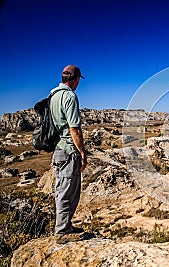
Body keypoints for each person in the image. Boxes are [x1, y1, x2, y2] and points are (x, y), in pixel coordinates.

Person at [50, 65, 87, 244]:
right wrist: (82, 152)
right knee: (67, 192)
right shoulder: (69, 96)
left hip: (58, 150)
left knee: (62, 189)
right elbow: (74, 129)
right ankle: (63, 231)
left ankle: (66, 226)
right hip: (68, 150)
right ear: (76, 79)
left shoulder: (53, 95)